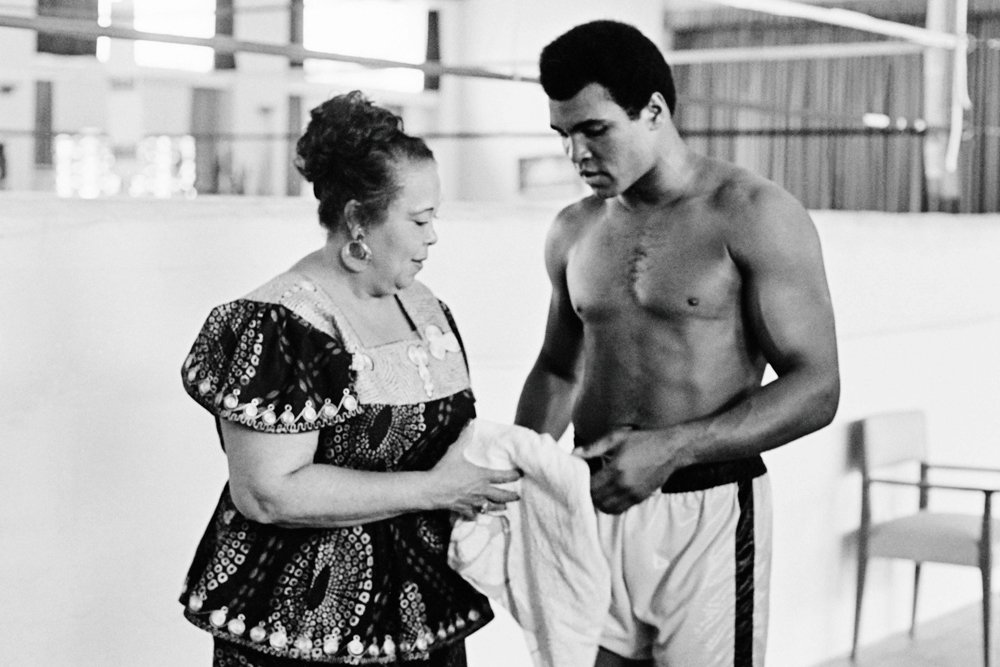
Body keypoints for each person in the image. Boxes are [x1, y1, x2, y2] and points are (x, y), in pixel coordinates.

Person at [515, 20, 840, 667]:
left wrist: (670, 447)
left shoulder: (751, 212)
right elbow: (557, 366)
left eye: (594, 130)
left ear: (655, 110)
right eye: (564, 135)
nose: (576, 155)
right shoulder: (573, 229)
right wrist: (515, 468)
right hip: (595, 500)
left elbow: (818, 387)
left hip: (708, 511)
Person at [179, 90, 520, 667]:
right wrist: (434, 491)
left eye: (435, 216)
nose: (432, 236)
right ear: (359, 218)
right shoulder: (279, 324)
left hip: (420, 620)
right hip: (304, 629)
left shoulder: (428, 310)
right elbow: (267, 492)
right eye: (419, 219)